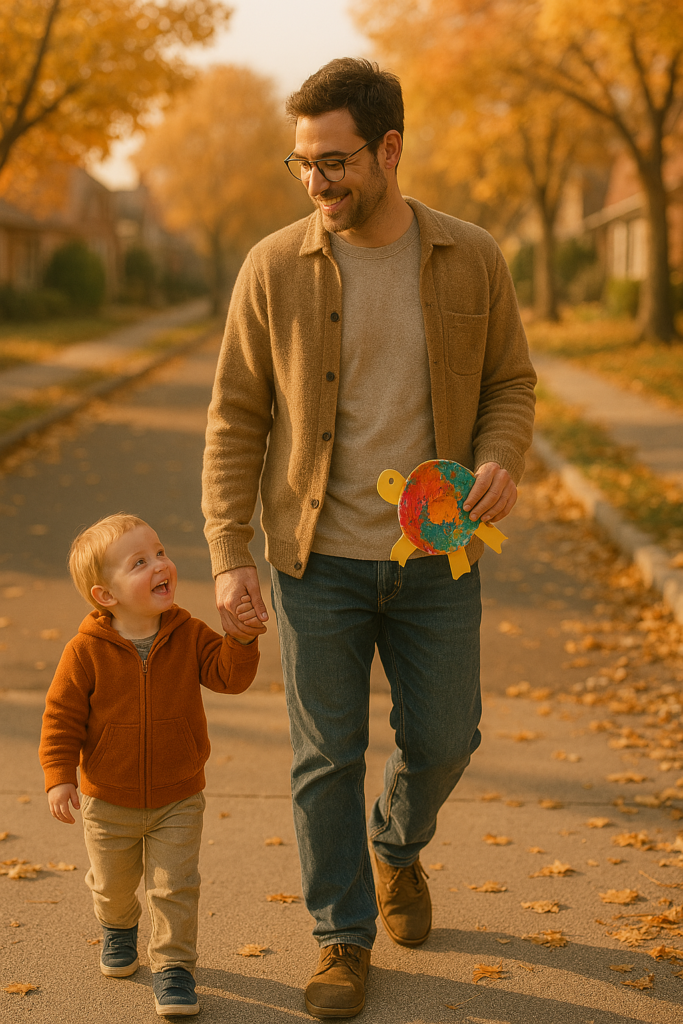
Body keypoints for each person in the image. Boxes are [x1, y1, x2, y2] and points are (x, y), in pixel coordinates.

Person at [202, 57, 536, 1019]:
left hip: (438, 555)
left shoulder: (469, 255)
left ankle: (396, 845)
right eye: (301, 163)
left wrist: (501, 458)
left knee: (442, 737)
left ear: (388, 150)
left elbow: (510, 383)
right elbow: (234, 419)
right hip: (317, 564)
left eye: (336, 161)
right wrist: (229, 554)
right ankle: (341, 941)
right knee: (323, 756)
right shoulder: (272, 267)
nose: (318, 182)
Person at [39, 513, 259, 1017]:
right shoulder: (85, 652)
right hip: (106, 799)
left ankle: (174, 969)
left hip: (178, 795)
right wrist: (59, 777)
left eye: (159, 552)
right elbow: (60, 719)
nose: (160, 564)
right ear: (105, 595)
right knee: (113, 885)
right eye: (140, 562)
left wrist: (241, 641)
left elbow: (228, 678)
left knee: (175, 887)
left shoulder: (188, 632)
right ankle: (118, 928)